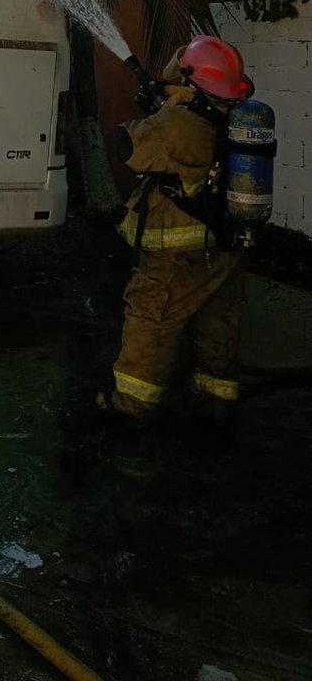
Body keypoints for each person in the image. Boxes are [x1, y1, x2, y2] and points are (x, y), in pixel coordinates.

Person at [99, 36, 255, 426]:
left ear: (189, 78)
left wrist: (163, 108)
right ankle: (214, 401)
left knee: (151, 317)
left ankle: (131, 406)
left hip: (177, 254)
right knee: (217, 322)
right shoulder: (236, 119)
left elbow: (127, 145)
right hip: (225, 247)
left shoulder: (177, 122)